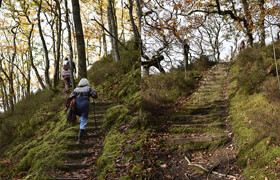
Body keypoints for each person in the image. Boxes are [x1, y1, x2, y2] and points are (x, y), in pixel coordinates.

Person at [66, 78, 98, 144]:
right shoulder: (88, 88)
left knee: (81, 117)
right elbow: (95, 96)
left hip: (77, 106)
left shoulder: (76, 89)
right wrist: (93, 90)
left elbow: (70, 97)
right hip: (85, 106)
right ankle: (80, 138)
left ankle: (83, 133)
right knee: (83, 120)